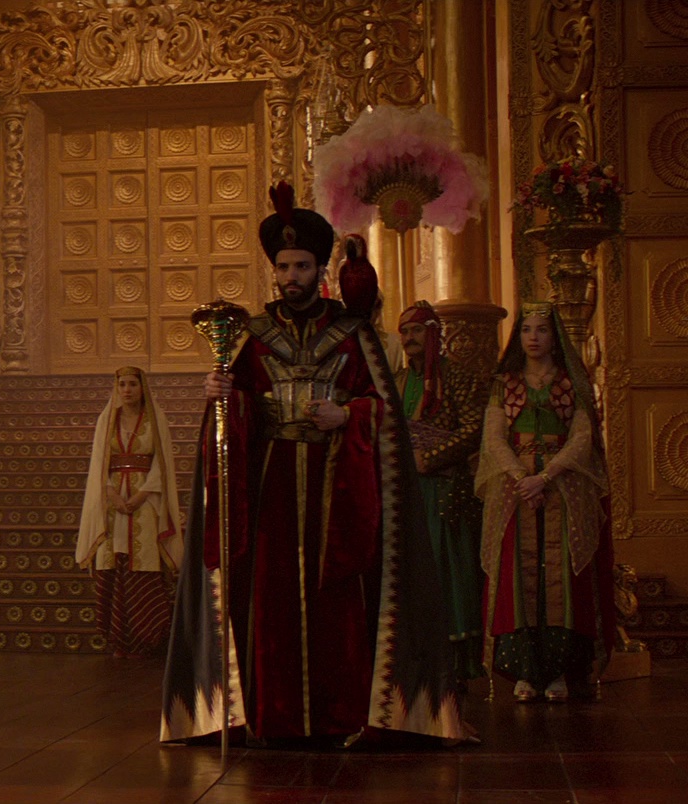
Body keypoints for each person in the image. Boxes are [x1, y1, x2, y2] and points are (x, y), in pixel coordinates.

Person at [161, 183, 463, 746]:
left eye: (301, 266)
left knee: (337, 604)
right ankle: (269, 718)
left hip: (338, 488)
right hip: (271, 485)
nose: (291, 276)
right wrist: (222, 397)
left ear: (320, 269)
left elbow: (384, 409)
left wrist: (348, 415)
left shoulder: (352, 334)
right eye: (283, 267)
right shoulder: (252, 336)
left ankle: (343, 717)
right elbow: (238, 410)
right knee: (270, 600)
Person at [477, 303, 613, 703]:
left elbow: (582, 438)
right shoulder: (504, 383)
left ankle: (558, 672)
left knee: (564, 577)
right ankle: (525, 672)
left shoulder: (573, 382)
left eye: (541, 330)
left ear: (555, 337)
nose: (533, 337)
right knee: (516, 575)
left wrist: (546, 476)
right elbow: (494, 438)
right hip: (515, 490)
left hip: (563, 486)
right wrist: (521, 477)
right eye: (526, 330)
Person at [397, 300, 488, 682]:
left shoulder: (460, 376)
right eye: (404, 331)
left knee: (450, 570)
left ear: (434, 333)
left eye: (417, 330)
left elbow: (474, 429)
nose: (409, 338)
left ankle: (457, 661)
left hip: (448, 489)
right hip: (407, 490)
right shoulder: (398, 381)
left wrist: (430, 458)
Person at [74, 366, 182, 659]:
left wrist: (141, 495)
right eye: (122, 384)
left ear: (142, 387)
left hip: (146, 502)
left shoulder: (156, 419)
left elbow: (162, 463)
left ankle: (147, 638)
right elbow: (99, 462)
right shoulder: (106, 419)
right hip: (112, 504)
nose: (127, 390)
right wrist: (112, 494)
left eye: (132, 384)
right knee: (115, 563)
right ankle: (118, 639)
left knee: (143, 565)